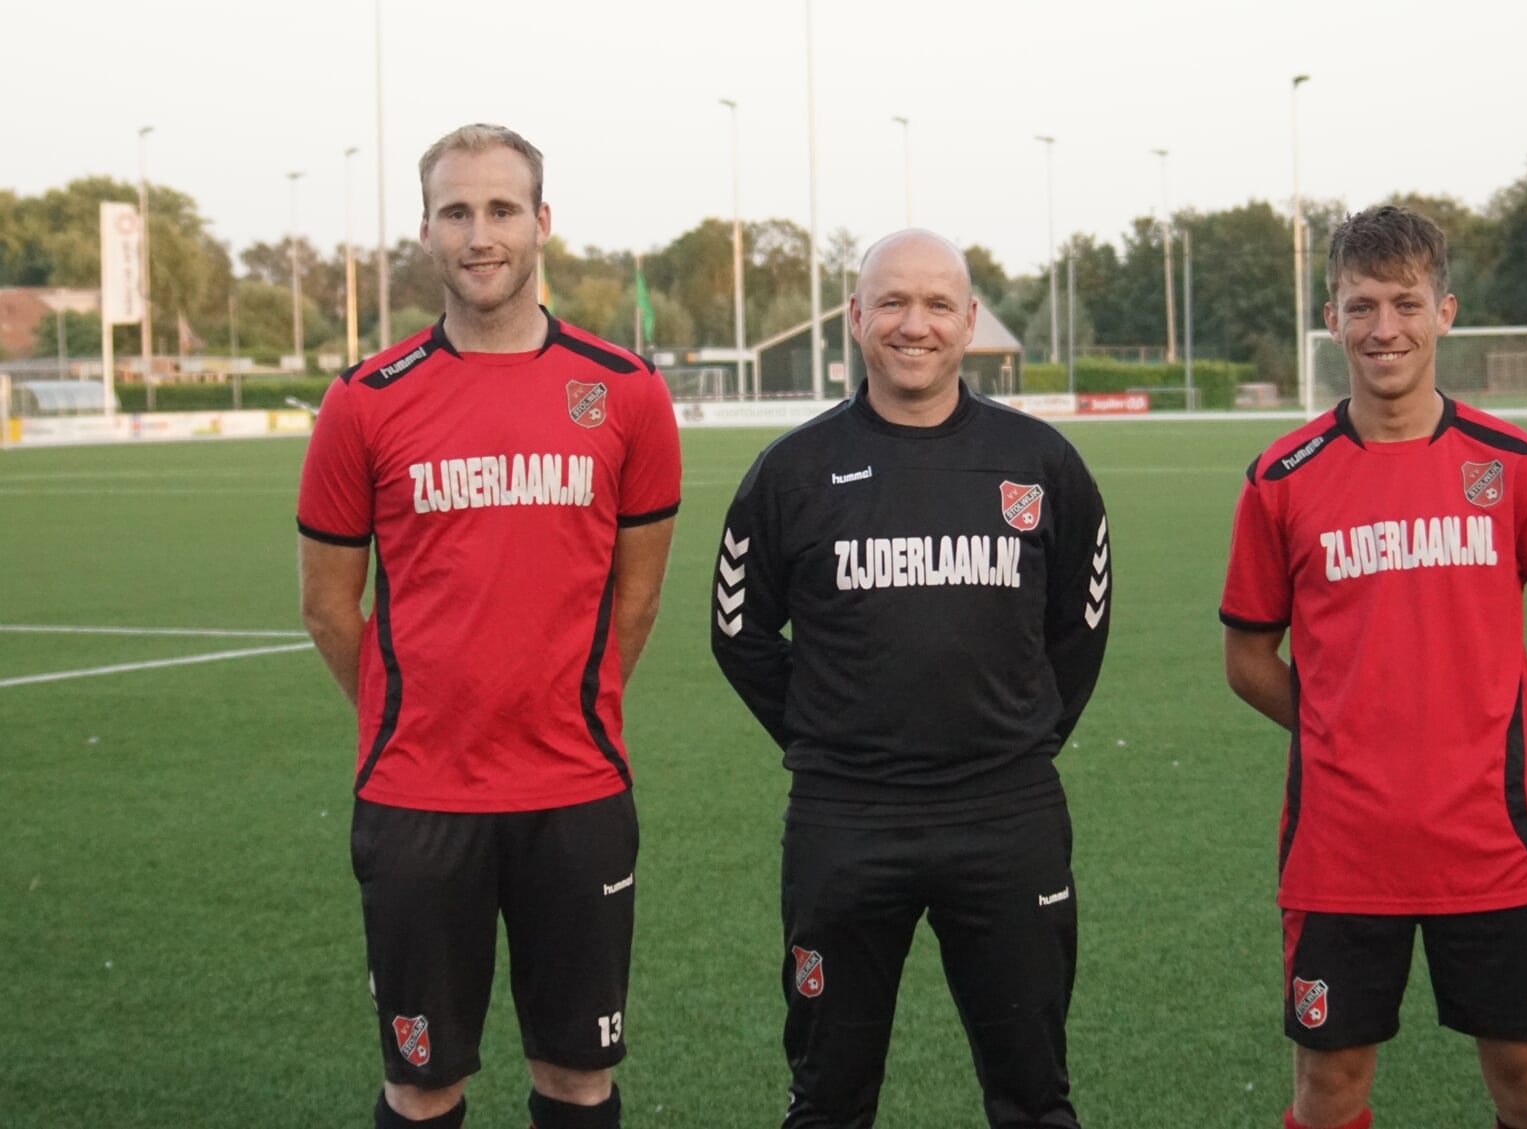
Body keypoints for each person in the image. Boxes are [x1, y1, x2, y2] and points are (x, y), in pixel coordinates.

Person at [297, 123, 680, 1129]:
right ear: (425, 229)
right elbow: (329, 607)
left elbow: (636, 597)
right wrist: (408, 708)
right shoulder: (364, 403)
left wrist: (570, 700)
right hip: (419, 795)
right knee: (423, 1083)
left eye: (502, 208)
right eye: (457, 211)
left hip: (577, 787)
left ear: (542, 222)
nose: (481, 233)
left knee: (577, 1075)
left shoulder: (627, 394)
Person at [1218, 205, 1527, 1129]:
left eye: (1405, 303)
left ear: (1445, 311)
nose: (1384, 328)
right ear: (1332, 318)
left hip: (1493, 840)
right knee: (1328, 1091)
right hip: (1340, 849)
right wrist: (1341, 726)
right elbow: (1246, 659)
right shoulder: (1282, 478)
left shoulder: (1516, 464)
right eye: (1362, 306)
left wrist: (1487, 723)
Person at [710, 229, 1112, 1129]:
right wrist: (827, 735)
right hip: (845, 823)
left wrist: (1020, 732)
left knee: (1036, 1098)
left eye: (937, 304)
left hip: (1006, 818)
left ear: (970, 323)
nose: (913, 324)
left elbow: (1081, 623)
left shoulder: (1040, 463)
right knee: (826, 1101)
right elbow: (739, 630)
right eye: (891, 302)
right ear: (855, 318)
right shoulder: (793, 471)